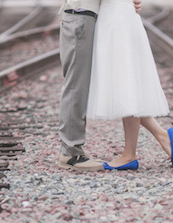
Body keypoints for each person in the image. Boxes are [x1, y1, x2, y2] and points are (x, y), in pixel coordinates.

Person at [86, 0, 173, 170]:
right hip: (116, 14)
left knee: (124, 81)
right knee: (122, 83)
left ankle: (130, 154)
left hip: (117, 17)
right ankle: (162, 135)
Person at [57, 0, 144, 171]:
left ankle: (72, 150)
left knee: (78, 85)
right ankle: (70, 154)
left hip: (82, 15)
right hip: (79, 15)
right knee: (76, 86)